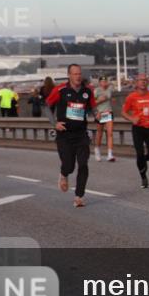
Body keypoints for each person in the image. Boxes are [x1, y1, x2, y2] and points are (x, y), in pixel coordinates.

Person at [45, 64, 96, 208]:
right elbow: (47, 106)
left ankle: (79, 196)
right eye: (75, 74)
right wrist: (54, 123)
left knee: (83, 164)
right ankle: (63, 174)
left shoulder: (87, 91)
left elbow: (93, 108)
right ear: (69, 75)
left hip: (81, 135)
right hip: (64, 135)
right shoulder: (60, 90)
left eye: (79, 74)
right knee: (69, 166)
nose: (78, 76)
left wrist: (98, 115)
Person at [123, 73, 149, 189]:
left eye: (145, 80)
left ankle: (142, 160)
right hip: (138, 128)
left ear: (147, 82)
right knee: (139, 153)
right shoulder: (131, 97)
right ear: (137, 82)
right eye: (141, 80)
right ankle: (143, 177)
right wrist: (132, 119)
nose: (143, 82)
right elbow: (123, 112)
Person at [92, 76, 116, 162]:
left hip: (108, 112)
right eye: (102, 81)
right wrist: (100, 101)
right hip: (100, 113)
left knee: (110, 133)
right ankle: (97, 150)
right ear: (99, 82)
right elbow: (92, 103)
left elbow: (112, 94)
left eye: (105, 81)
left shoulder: (109, 89)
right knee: (100, 134)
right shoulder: (96, 90)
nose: (104, 83)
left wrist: (112, 99)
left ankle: (110, 154)